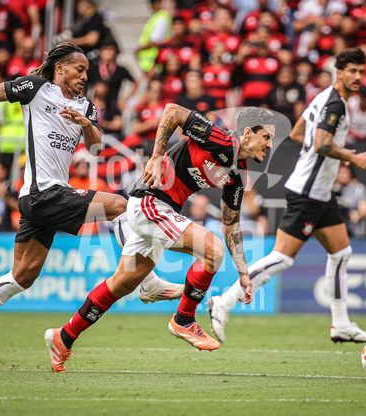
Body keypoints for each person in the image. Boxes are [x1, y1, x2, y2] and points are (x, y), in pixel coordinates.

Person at [0, 42, 181, 366]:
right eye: (79, 69)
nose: (84, 76)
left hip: (43, 199)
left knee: (23, 276)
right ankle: (146, 281)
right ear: (60, 68)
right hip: (42, 193)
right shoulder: (35, 88)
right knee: (121, 205)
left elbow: (97, 149)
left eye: (87, 71)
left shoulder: (86, 107)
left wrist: (85, 124)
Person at [43, 104, 276, 372]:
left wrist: (243, 272)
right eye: (266, 137)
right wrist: (155, 157)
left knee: (121, 284)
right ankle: (184, 320)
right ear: (247, 133)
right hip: (149, 202)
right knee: (212, 250)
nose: (269, 144)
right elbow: (172, 111)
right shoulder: (218, 138)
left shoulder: (237, 174)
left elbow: (231, 224)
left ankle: (64, 337)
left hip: (161, 210)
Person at [208, 48, 366, 344]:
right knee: (283, 258)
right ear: (339, 72)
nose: (357, 77)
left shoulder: (322, 98)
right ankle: (224, 301)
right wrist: (351, 157)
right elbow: (321, 144)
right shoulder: (335, 104)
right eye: (352, 71)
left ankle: (341, 324)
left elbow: (299, 132)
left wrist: (318, 154)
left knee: (341, 253)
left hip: (321, 192)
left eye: (361, 72)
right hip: (309, 192)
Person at [334, 165, 366, 238]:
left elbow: (365, 211)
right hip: (334, 232)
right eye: (339, 172)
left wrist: (357, 214)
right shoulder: (331, 188)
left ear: (350, 173)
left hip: (353, 234)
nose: (342, 175)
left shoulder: (358, 189)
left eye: (344, 172)